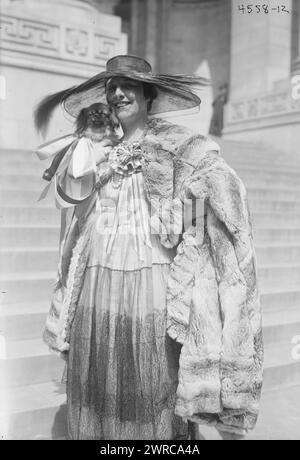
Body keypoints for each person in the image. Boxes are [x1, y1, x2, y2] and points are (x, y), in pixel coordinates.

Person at [36, 55, 263, 440]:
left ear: (149, 95)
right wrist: (84, 159)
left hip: (154, 279)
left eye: (128, 87)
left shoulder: (182, 147)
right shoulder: (95, 150)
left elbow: (219, 193)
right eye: (112, 88)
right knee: (102, 370)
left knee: (154, 377)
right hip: (100, 278)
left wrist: (176, 216)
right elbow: (78, 214)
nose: (118, 94)